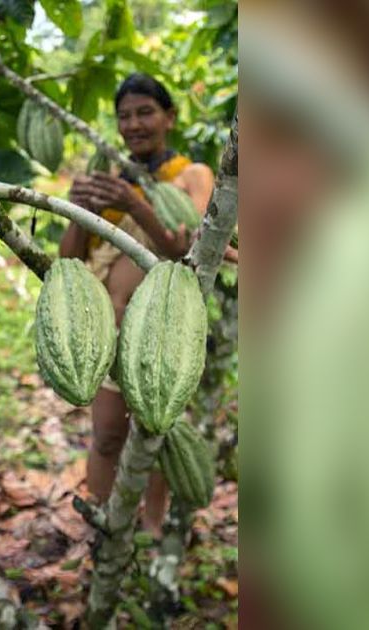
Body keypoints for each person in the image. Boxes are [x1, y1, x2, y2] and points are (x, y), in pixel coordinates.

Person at [58, 73, 215, 535]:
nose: (134, 124)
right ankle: (104, 528)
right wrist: (76, 211)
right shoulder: (109, 181)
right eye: (124, 116)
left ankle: (150, 527)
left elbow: (192, 254)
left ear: (169, 117)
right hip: (109, 331)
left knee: (155, 435)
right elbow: (69, 263)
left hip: (164, 332)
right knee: (107, 436)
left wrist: (137, 202)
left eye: (145, 112)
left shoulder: (192, 175)